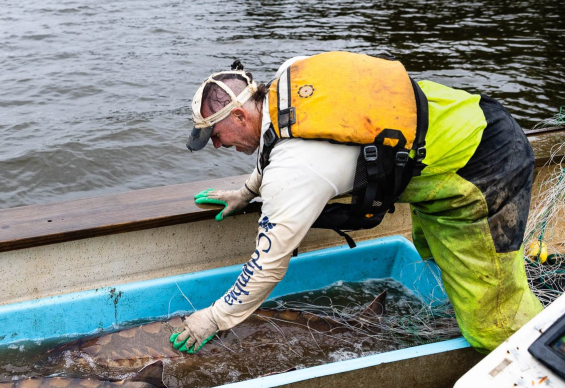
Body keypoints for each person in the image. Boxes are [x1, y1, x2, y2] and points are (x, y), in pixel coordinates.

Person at [170, 51, 542, 355]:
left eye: (215, 135)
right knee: (433, 258)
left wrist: (214, 319)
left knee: (495, 320)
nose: (216, 146)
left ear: (238, 115)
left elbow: (266, 268)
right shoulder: (289, 79)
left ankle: (543, 381)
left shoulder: (294, 171)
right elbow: (276, 144)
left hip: (483, 166)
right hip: (460, 123)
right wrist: (247, 192)